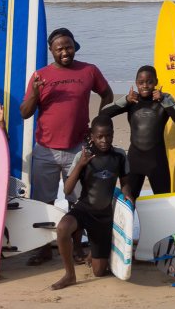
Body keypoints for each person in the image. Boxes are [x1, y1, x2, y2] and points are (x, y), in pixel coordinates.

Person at [19, 28, 113, 212]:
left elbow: (107, 94)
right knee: (43, 205)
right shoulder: (40, 75)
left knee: (79, 202)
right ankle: (47, 241)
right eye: (59, 49)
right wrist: (35, 95)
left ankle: (74, 240)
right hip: (46, 152)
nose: (64, 52)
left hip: (79, 149)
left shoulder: (89, 70)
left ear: (74, 47)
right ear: (51, 50)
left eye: (68, 47)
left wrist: (98, 124)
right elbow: (24, 113)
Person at [50, 117, 127, 290]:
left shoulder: (119, 156)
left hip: (104, 217)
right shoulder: (83, 155)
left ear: (113, 134)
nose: (104, 140)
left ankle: (95, 250)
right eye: (100, 136)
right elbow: (67, 190)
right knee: (63, 228)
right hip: (85, 208)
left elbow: (126, 181)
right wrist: (80, 164)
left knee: (99, 272)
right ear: (92, 136)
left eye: (108, 136)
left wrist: (127, 195)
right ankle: (69, 275)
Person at [100, 66, 175, 198]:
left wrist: (164, 100)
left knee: (163, 201)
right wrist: (125, 100)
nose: (145, 86)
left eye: (149, 82)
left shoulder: (164, 99)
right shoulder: (131, 101)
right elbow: (104, 113)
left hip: (157, 161)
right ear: (136, 83)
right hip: (134, 161)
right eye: (141, 83)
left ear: (156, 82)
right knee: (129, 200)